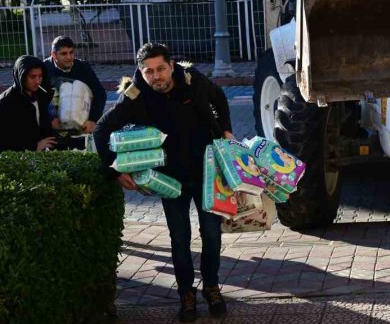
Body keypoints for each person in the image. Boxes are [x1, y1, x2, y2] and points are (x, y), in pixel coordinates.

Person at [93, 43, 234, 322]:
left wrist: (227, 130)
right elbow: (101, 129)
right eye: (148, 72)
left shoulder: (192, 79)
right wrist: (114, 170)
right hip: (169, 180)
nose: (156, 76)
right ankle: (186, 294)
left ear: (171, 65)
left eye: (160, 69)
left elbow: (219, 97)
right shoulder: (134, 95)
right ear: (141, 72)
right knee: (179, 239)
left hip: (207, 173)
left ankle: (211, 287)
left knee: (212, 234)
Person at [44, 35, 106, 135]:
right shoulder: (44, 69)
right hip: (54, 126)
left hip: (82, 124)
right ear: (54, 55)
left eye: (71, 52)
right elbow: (38, 97)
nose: (69, 57)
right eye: (64, 54)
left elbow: (100, 94)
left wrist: (93, 120)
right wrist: (50, 118)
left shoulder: (83, 67)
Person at [0, 56, 59, 152]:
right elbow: (5, 141)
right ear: (21, 76)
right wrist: (34, 147)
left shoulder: (41, 95)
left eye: (40, 76)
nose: (37, 81)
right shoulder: (5, 103)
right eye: (32, 77)